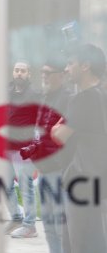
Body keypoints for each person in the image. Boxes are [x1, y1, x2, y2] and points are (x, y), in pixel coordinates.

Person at [51, 43, 107, 252]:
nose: (66, 69)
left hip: (80, 182)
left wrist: (57, 127)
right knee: (96, 242)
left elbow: (59, 135)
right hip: (99, 182)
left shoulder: (82, 99)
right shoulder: (102, 96)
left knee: (77, 245)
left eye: (70, 63)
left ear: (85, 66)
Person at [21, 56, 72, 253]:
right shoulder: (45, 97)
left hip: (59, 171)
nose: (43, 77)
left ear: (61, 75)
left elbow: (69, 137)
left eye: (48, 73)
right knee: (49, 227)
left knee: (60, 228)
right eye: (42, 73)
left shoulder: (69, 99)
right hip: (43, 170)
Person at [5, 61, 41, 238]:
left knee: (26, 188)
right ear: (13, 72)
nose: (19, 73)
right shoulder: (6, 91)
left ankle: (30, 225)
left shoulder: (34, 94)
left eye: (23, 71)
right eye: (16, 70)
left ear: (28, 74)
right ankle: (16, 218)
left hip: (23, 149)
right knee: (5, 185)